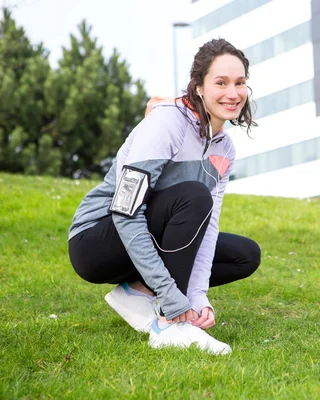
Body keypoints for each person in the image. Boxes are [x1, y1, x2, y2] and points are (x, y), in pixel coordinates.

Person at [67, 39, 260, 355]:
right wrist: (172, 297)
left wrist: (197, 296)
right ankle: (168, 324)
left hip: (147, 237)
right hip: (97, 240)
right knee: (195, 196)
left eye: (240, 83)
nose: (233, 93)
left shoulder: (224, 149)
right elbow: (126, 212)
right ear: (198, 87)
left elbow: (206, 231)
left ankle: (139, 291)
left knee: (245, 254)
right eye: (221, 82)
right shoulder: (166, 123)